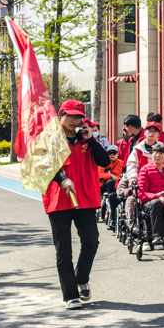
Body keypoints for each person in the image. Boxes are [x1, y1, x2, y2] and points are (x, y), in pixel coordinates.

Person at [45, 100, 110, 309]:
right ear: (61, 115)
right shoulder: (51, 139)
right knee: (63, 250)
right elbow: (48, 165)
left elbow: (104, 162)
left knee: (91, 241)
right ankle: (70, 295)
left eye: (79, 117)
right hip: (59, 198)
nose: (75, 120)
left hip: (86, 199)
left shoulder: (87, 141)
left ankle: (81, 278)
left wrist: (90, 141)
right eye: (71, 116)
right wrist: (62, 179)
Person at [99, 144, 123, 225]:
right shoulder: (102, 163)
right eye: (110, 153)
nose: (112, 155)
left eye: (114, 153)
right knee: (110, 182)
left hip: (119, 185)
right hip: (104, 185)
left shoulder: (122, 163)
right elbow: (98, 175)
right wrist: (111, 176)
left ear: (118, 154)